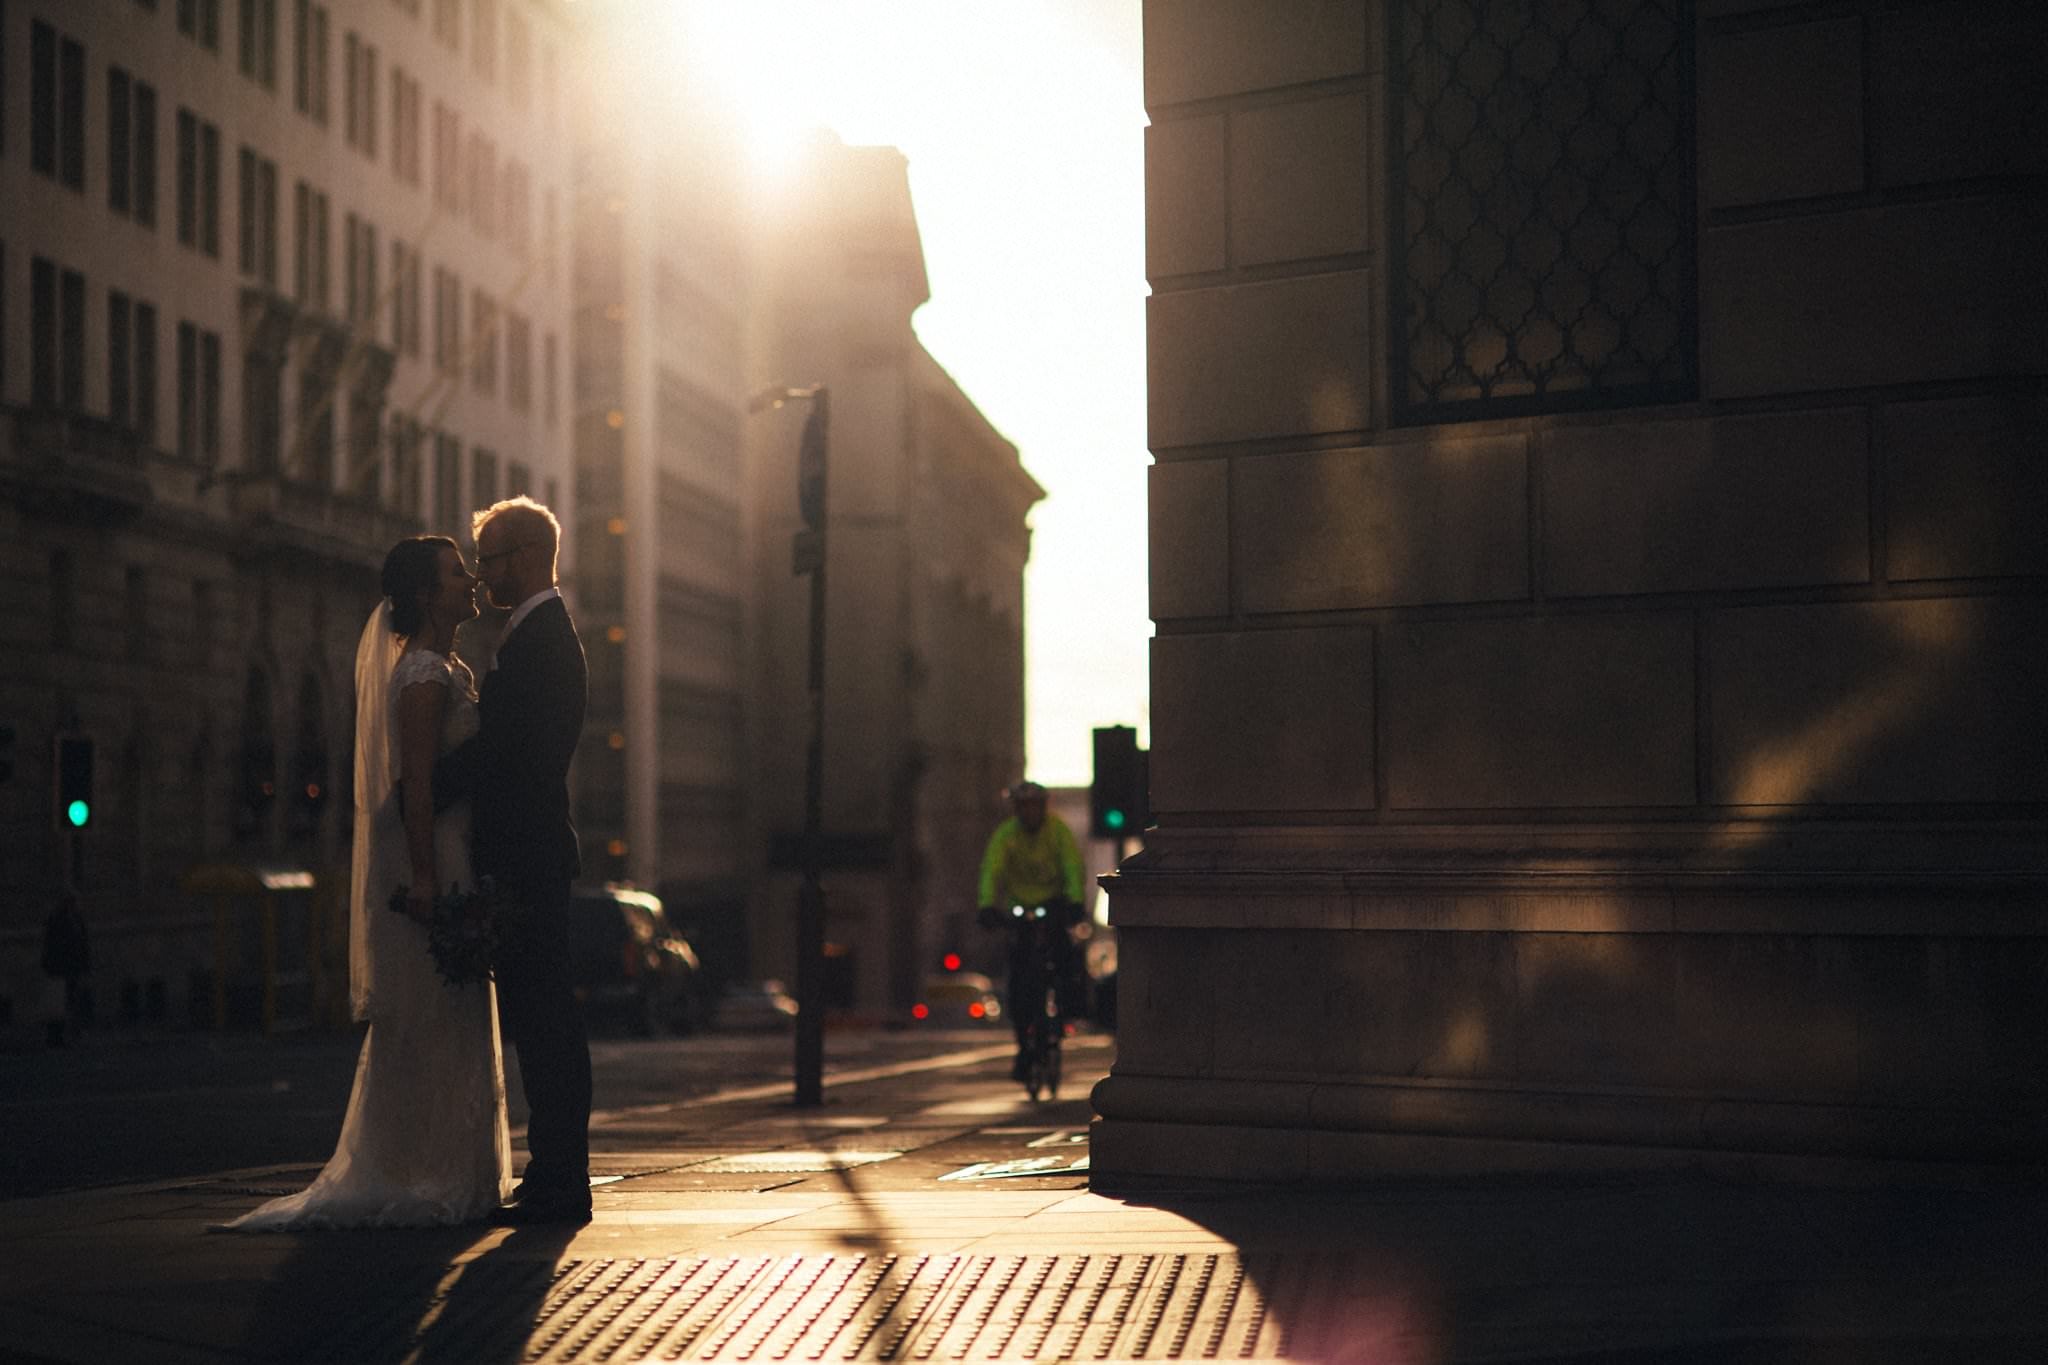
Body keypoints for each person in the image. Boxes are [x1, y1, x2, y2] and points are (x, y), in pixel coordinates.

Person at [224, 536, 512, 1230]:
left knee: (450, 1009)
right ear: (423, 594)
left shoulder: (445, 667)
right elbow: (414, 786)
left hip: (453, 849)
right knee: (428, 1013)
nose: (470, 579)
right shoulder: (420, 673)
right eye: (454, 574)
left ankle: (450, 1163)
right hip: (432, 854)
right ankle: (426, 1165)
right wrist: (422, 874)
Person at [435, 496, 592, 1225]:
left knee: (546, 1017)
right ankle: (553, 1171)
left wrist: (426, 788)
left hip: (529, 853)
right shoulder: (534, 636)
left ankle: (562, 1177)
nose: (483, 575)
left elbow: (507, 752)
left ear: (527, 555)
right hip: (529, 849)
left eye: (491, 560)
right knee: (538, 1016)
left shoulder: (544, 642)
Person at [976, 781, 1088, 1081]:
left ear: (1042, 807)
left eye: (1033, 806)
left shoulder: (1058, 832)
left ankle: (1068, 1004)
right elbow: (991, 869)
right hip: (1019, 910)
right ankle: (1023, 1046)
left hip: (1052, 905)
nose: (1028, 812)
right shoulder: (1006, 835)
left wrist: (1075, 902)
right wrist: (987, 905)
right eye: (1022, 807)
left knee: (1064, 956)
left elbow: (1072, 866)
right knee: (1017, 976)